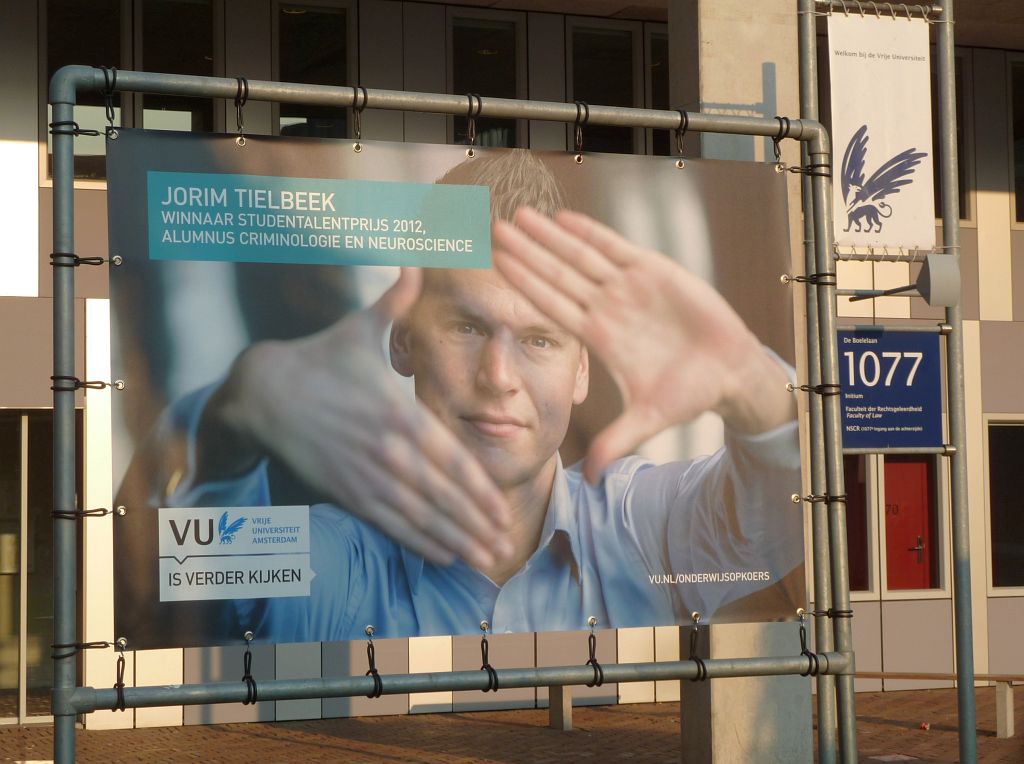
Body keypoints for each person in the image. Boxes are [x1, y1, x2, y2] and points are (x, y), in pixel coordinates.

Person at [131, 151, 804, 642]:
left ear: (581, 372)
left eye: (540, 339)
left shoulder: (646, 527)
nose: (499, 376)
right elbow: (170, 581)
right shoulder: (335, 558)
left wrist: (748, 380)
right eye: (467, 327)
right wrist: (232, 419)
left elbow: (777, 526)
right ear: (402, 341)